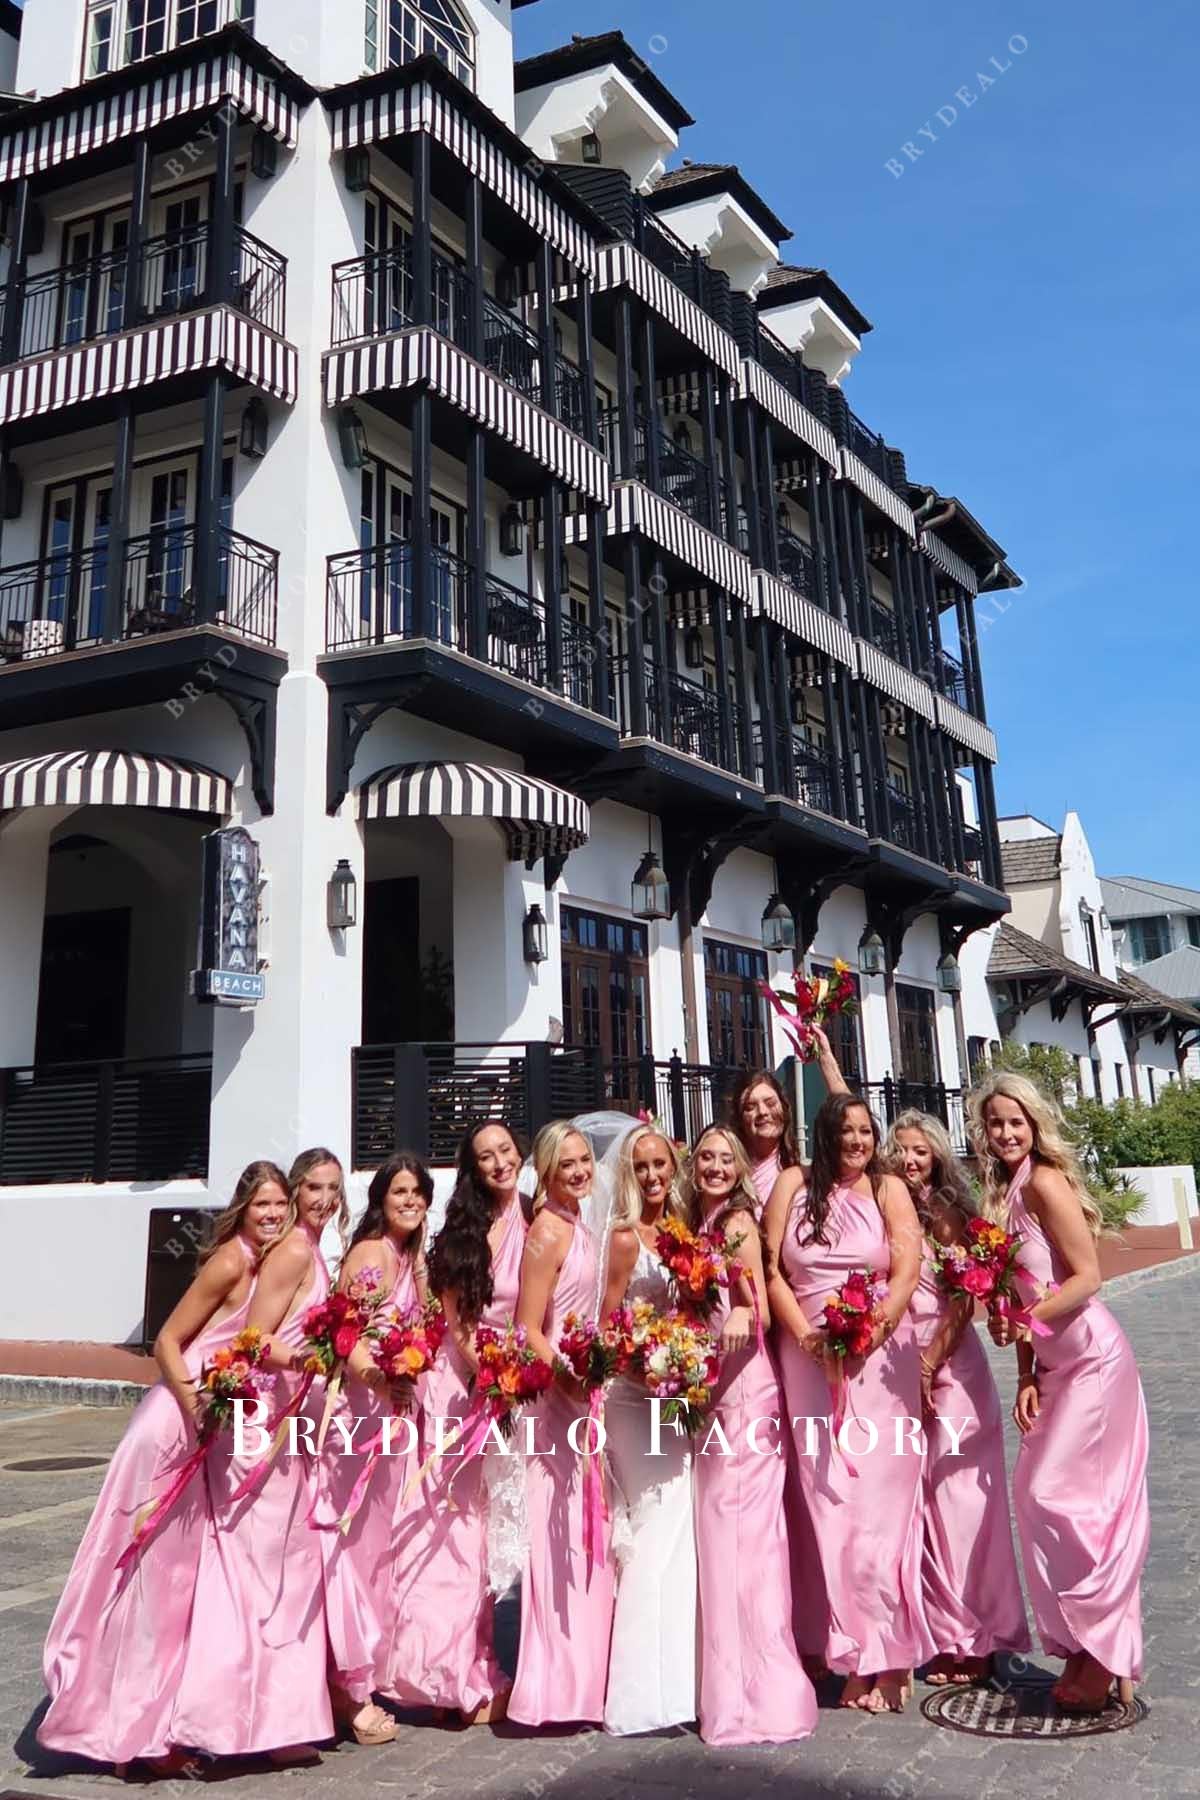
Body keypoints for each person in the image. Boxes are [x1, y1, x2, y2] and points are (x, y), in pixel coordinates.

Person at [38, 1162, 329, 1772]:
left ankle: (157, 1724)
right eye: (263, 1205)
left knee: (176, 1586)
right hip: (174, 1421)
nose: (274, 1214)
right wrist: (197, 1405)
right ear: (243, 1209)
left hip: (215, 1421)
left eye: (280, 1204)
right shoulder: (231, 1260)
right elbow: (168, 1340)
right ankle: (122, 1737)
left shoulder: (270, 1261)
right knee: (147, 1580)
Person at [974, 1072, 1149, 1713]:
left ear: (1034, 1123)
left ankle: (1102, 1652)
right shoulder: (1003, 1194)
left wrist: (1024, 1322)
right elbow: (1021, 1294)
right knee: (1039, 1496)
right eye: (995, 1123)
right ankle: (1089, 1640)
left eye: (1015, 1121)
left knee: (1069, 1501)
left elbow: (1088, 1278)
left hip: (1095, 1365)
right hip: (1053, 1370)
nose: (1006, 1132)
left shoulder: (1044, 1181)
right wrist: (1023, 1369)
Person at [766, 1094, 932, 1712]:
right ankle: (849, 1651)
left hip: (880, 1361)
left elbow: (908, 1267)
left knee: (884, 1512)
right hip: (808, 1357)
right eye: (846, 1131)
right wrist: (808, 1338)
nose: (857, 1141)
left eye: (866, 1131)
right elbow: (770, 1269)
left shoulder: (888, 1188)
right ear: (824, 1134)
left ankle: (888, 1655)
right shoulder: (792, 1183)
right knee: (830, 1506)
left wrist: (874, 1329)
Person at [239, 1148, 395, 1748]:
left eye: (333, 1189)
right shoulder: (297, 1251)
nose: (325, 1199)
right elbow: (255, 1339)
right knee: (295, 1564)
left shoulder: (315, 1251)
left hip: (308, 1422)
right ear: (296, 1190)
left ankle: (324, 1696)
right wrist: (311, 1358)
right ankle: (302, 1707)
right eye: (314, 1189)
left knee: (313, 1561)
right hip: (278, 1424)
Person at [379, 1121, 528, 1724]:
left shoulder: (537, 1221)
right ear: (472, 1168)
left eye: (506, 1151)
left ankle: (473, 1665)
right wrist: (493, 1375)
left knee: (487, 1535)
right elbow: (457, 1325)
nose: (499, 1163)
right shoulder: (463, 1237)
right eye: (485, 1156)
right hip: (459, 1390)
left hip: (511, 1389)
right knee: (455, 1537)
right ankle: (446, 1678)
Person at [886, 1110, 1030, 1683]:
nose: (909, 1160)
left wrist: (927, 1364)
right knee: (920, 1510)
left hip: (952, 1370)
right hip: (900, 1369)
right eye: (900, 1150)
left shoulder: (948, 1217)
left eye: (919, 1151)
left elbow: (963, 1303)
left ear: (938, 1156)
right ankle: (944, 1635)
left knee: (963, 1510)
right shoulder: (888, 1209)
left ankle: (978, 1637)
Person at [686, 1126, 816, 1747]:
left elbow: (758, 1308)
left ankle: (759, 1693)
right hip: (712, 1391)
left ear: (740, 1169)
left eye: (724, 1159)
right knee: (723, 1539)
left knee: (748, 1540)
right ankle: (724, 1681)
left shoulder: (736, 1222)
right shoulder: (699, 1223)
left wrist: (741, 1310)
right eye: (704, 1157)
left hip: (745, 1391)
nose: (713, 1166)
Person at [508, 1121, 615, 1727]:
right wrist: (567, 1377)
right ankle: (558, 1687)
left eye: (584, 1161)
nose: (579, 1171)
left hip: (589, 1386)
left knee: (588, 1532)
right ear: (545, 1174)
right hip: (557, 1401)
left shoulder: (582, 1223)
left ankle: (587, 1680)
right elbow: (528, 1326)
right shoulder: (547, 1230)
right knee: (561, 1536)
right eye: (566, 1164)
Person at [598, 1124, 697, 1736]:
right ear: (628, 1176)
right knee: (652, 1528)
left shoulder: (684, 1233)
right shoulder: (625, 1240)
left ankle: (679, 1682)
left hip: (678, 1393)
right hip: (635, 1397)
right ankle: (638, 1692)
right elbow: (606, 1324)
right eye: (643, 1168)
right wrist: (646, 1364)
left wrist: (683, 1365)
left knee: (679, 1532)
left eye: (662, 1165)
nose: (655, 1176)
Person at [319, 1155, 430, 1672]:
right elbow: (345, 1333)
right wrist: (382, 1379)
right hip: (363, 1412)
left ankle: (367, 1655)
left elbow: (426, 1322)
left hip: (392, 1411)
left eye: (418, 1193)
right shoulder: (372, 1252)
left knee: (378, 1535)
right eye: (400, 1192)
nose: (410, 1201)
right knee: (356, 1534)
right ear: (381, 1201)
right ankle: (347, 1666)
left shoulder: (407, 1255)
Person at [724, 1028, 841, 1216]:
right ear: (739, 1119)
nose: (762, 1112)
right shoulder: (727, 1174)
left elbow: (851, 1122)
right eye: (750, 1107)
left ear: (785, 1110)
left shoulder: (803, 1171)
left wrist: (826, 1059)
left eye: (770, 1103)